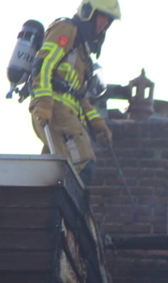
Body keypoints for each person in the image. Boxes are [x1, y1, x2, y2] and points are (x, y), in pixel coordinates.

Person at [28, 0, 119, 184]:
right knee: (82, 162)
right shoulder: (66, 29)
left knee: (52, 171)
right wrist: (44, 103)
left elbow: (80, 95)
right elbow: (43, 65)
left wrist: (98, 123)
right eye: (101, 17)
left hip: (67, 115)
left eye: (108, 20)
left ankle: (50, 202)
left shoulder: (83, 51)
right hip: (55, 110)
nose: (104, 24)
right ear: (88, 13)